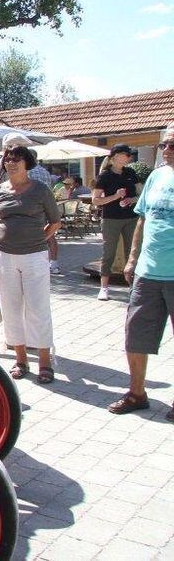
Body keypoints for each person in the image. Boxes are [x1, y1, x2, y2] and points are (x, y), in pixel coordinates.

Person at [107, 125, 174, 421]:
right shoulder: (157, 177)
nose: (166, 150)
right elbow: (142, 221)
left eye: (172, 144)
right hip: (148, 272)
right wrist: (132, 259)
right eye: (164, 145)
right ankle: (137, 393)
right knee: (135, 335)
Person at [0, 144, 61, 384]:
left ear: (26, 163)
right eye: (7, 159)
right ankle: (20, 360)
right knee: (10, 308)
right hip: (4, 256)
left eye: (16, 159)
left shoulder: (40, 190)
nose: (11, 163)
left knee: (38, 309)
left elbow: (55, 222)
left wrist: (40, 239)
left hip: (34, 256)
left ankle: (45, 363)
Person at [92, 143, 139, 301]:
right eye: (127, 154)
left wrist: (131, 200)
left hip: (131, 218)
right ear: (116, 156)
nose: (130, 157)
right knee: (109, 254)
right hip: (111, 219)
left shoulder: (131, 172)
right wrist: (115, 196)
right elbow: (96, 201)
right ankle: (104, 288)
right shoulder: (104, 176)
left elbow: (141, 195)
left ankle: (133, 288)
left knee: (131, 252)